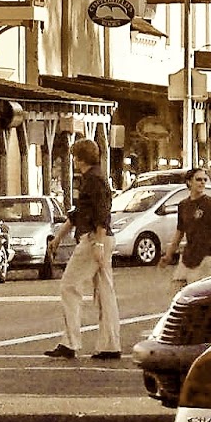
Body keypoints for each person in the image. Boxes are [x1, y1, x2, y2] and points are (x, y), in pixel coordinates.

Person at [45, 138, 123, 360]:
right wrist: (59, 237)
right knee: (105, 291)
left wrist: (97, 242)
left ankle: (70, 342)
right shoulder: (96, 178)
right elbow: (78, 214)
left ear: (80, 158)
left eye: (75, 157)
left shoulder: (93, 180)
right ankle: (110, 344)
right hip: (102, 238)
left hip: (93, 239)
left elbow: (101, 213)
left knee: (69, 286)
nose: (73, 161)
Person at [162, 169, 211, 290]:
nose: (202, 182)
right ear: (189, 182)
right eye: (198, 179)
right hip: (188, 256)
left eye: (205, 180)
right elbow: (179, 232)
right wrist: (168, 255)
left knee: (200, 294)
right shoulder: (183, 205)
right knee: (177, 291)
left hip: (206, 258)